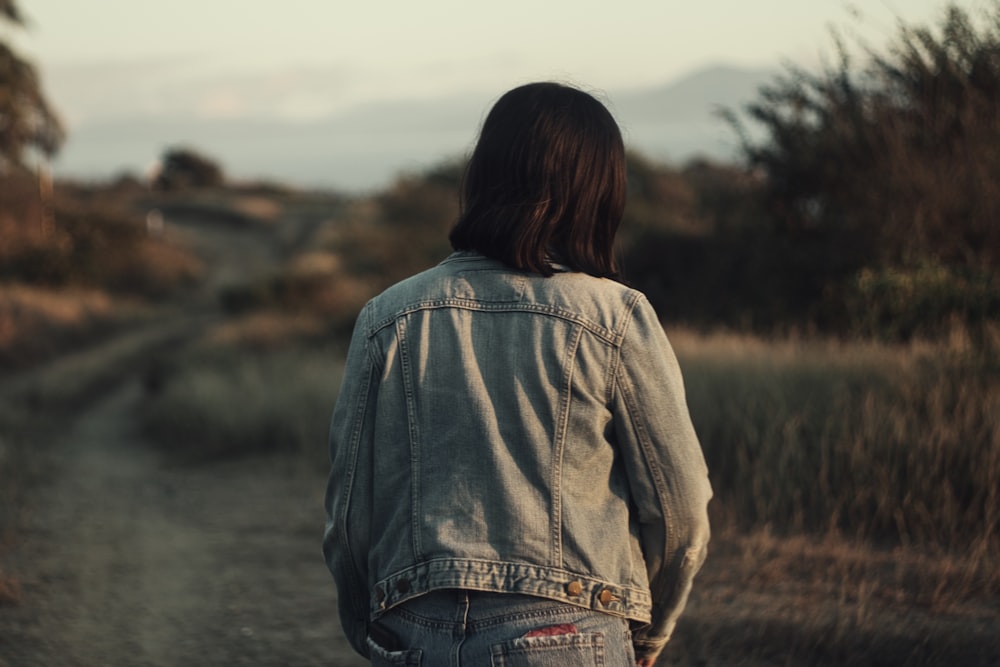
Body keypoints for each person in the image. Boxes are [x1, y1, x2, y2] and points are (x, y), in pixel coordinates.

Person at [323, 81, 712, 666]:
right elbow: (681, 512)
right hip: (569, 629)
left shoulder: (389, 316)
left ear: (484, 176)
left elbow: (350, 510)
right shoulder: (616, 316)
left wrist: (366, 624)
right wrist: (649, 631)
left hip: (414, 629)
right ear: (598, 191)